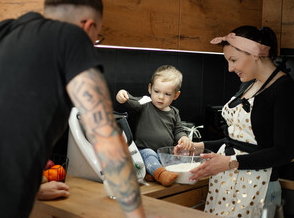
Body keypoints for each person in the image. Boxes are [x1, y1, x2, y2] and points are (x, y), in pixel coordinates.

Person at [0, 0, 145, 218]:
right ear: (87, 26)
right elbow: (105, 136)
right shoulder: (73, 37)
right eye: (97, 38)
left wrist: (32, 190)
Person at [187, 26, 294, 217]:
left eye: (233, 60)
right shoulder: (249, 83)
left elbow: (284, 153)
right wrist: (199, 146)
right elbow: (238, 141)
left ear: (255, 54)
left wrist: (229, 163)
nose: (230, 68)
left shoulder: (283, 89)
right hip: (228, 185)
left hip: (261, 189)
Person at [116, 65, 192, 187]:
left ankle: (152, 172)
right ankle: (161, 175)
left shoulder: (174, 112)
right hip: (143, 150)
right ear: (150, 88)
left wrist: (183, 138)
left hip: (165, 153)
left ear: (176, 95)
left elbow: (178, 130)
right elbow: (131, 101)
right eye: (157, 91)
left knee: (179, 158)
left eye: (167, 94)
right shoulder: (145, 104)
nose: (161, 97)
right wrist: (122, 95)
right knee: (149, 154)